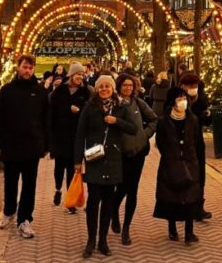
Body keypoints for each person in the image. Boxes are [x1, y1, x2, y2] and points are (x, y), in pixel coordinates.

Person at [74, 75, 136, 258]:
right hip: (95, 158)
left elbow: (132, 129)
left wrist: (116, 121)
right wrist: (77, 161)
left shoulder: (120, 107)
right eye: (101, 87)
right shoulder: (90, 107)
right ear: (97, 89)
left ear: (112, 88)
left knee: (108, 202)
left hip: (114, 160)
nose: (104, 89)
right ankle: (90, 240)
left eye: (107, 86)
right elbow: (80, 134)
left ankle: (103, 240)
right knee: (94, 201)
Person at [0, 54, 48, 239]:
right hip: (11, 145)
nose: (27, 70)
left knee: (29, 185)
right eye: (24, 67)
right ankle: (9, 211)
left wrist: (46, 144)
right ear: (18, 67)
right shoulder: (7, 90)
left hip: (32, 146)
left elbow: (46, 119)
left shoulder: (40, 92)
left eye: (30, 68)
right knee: (11, 181)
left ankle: (25, 219)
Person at [111, 73, 157, 246]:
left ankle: (126, 228)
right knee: (120, 188)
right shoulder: (113, 104)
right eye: (125, 85)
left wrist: (145, 135)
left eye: (131, 85)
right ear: (119, 86)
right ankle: (113, 211)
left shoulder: (138, 102)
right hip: (119, 154)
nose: (128, 88)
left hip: (137, 153)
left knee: (132, 190)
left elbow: (153, 119)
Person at [153, 87, 202, 245]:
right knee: (171, 196)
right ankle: (172, 227)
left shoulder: (192, 119)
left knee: (190, 197)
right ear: (173, 101)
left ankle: (189, 232)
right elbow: (160, 142)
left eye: (184, 98)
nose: (183, 102)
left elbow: (197, 141)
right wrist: (170, 155)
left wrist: (195, 160)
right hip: (171, 163)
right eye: (180, 99)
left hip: (190, 162)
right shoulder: (164, 121)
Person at [48, 61, 90, 211]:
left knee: (73, 168)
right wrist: (68, 109)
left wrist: (79, 111)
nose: (80, 77)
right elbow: (52, 110)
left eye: (82, 75)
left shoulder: (85, 92)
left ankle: (70, 199)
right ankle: (58, 189)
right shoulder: (60, 91)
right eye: (78, 74)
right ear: (71, 75)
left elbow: (88, 110)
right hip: (60, 135)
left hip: (76, 136)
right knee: (59, 166)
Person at [179, 71, 212, 220]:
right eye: (190, 86)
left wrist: (207, 117)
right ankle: (183, 206)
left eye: (195, 85)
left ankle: (199, 206)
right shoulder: (177, 100)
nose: (193, 88)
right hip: (182, 144)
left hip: (198, 143)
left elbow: (205, 122)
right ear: (183, 86)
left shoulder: (202, 99)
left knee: (200, 175)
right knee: (184, 175)